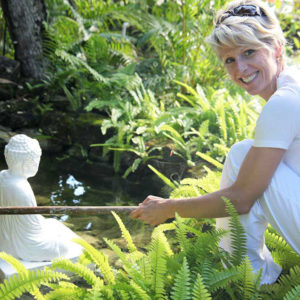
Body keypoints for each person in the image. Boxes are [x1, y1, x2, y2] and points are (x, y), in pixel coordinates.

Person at [130, 0, 300, 285]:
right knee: (243, 154)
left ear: (277, 48)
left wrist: (168, 208)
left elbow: (242, 198)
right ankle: (248, 273)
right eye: (229, 60)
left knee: (244, 161)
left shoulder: (284, 102)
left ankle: (245, 276)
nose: (241, 69)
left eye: (249, 52)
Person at [0, 134, 82, 261]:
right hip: (18, 245)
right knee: (63, 247)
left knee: (51, 226)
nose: (36, 163)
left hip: (4, 239)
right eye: (35, 159)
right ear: (26, 163)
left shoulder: (3, 176)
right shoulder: (21, 188)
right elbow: (31, 229)